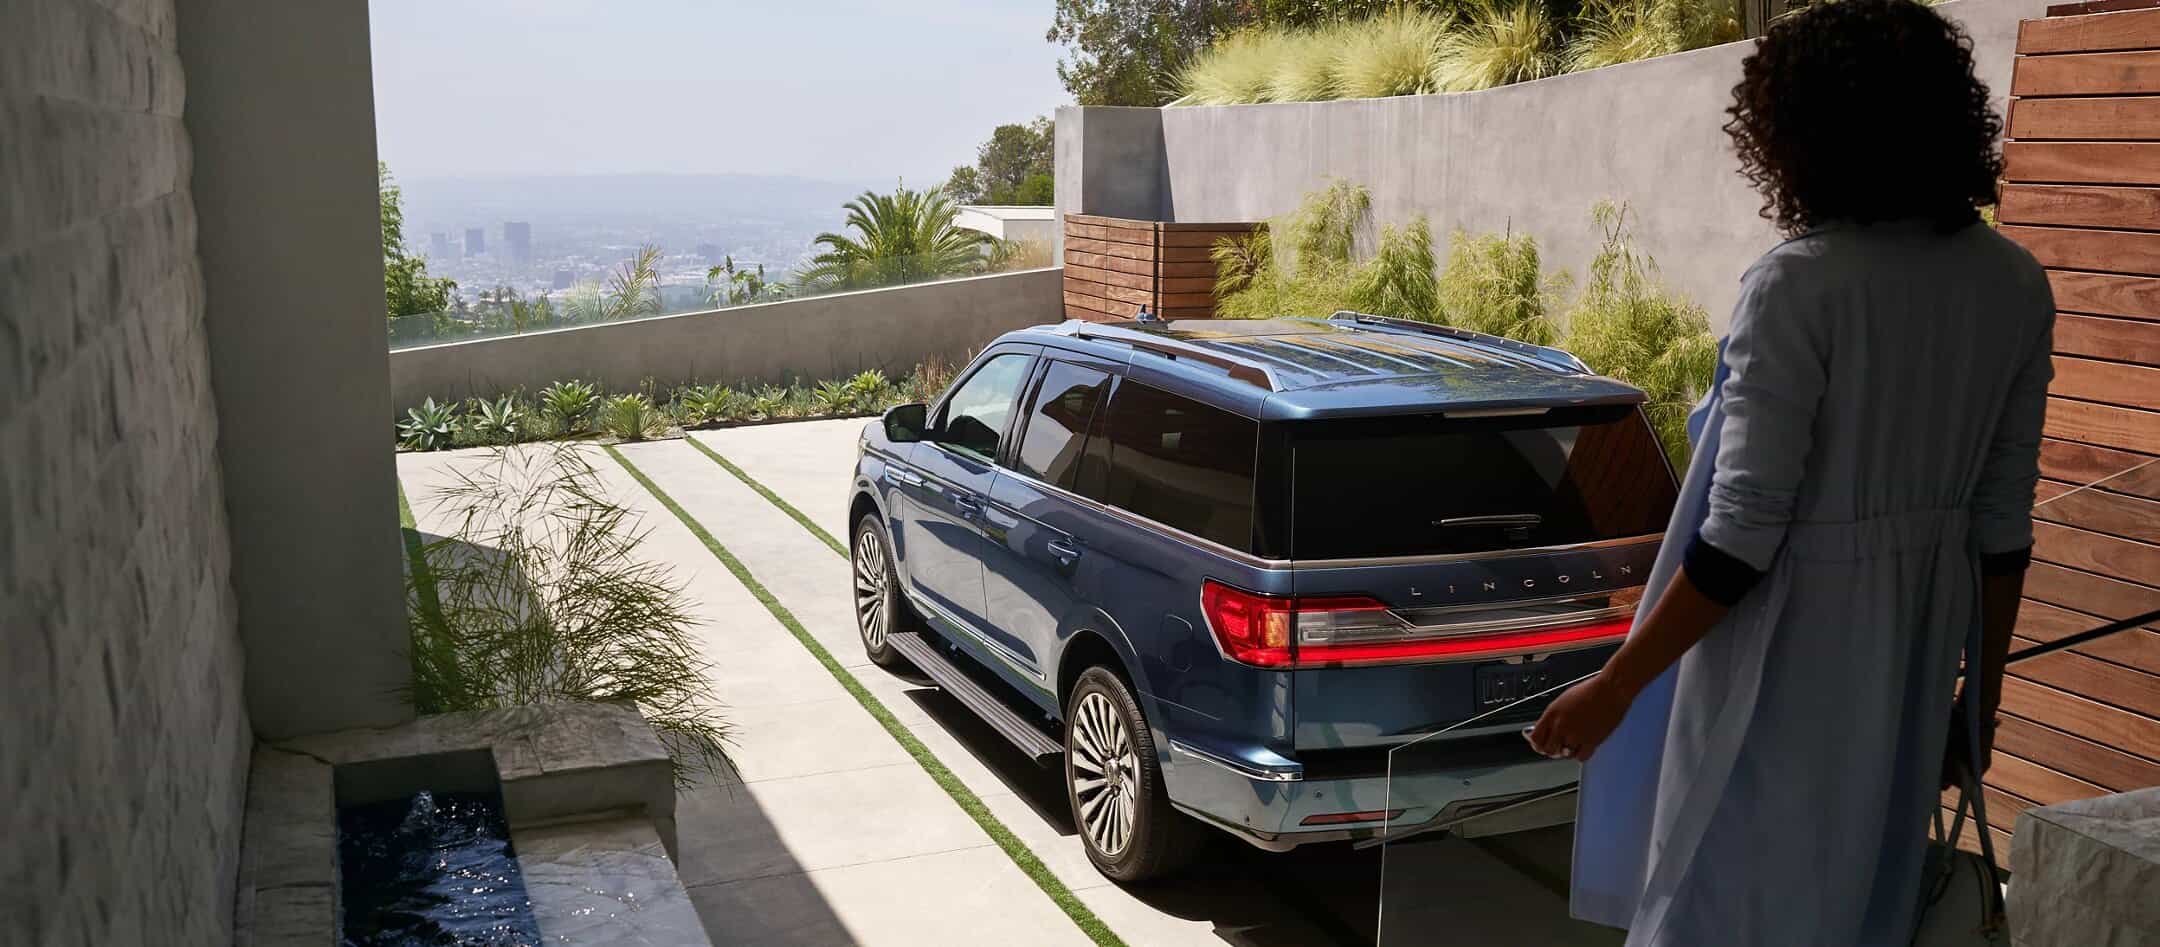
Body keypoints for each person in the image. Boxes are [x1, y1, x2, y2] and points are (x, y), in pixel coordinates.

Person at [1528, 1, 2053, 943]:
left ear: (1797, 132)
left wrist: (1615, 686)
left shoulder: (1798, 286)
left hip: (1782, 664)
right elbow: (2002, 527)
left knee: (1730, 893)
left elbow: (1739, 542)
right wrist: (1981, 700)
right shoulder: (2012, 284)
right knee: (1862, 899)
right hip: (1912, 657)